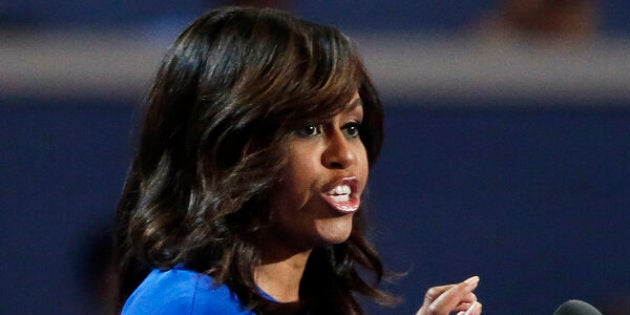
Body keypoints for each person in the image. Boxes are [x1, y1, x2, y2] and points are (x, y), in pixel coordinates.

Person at [114, 6, 482, 315]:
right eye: (308, 128)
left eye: (351, 127)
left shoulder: (323, 302)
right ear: (227, 148)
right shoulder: (186, 305)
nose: (344, 154)